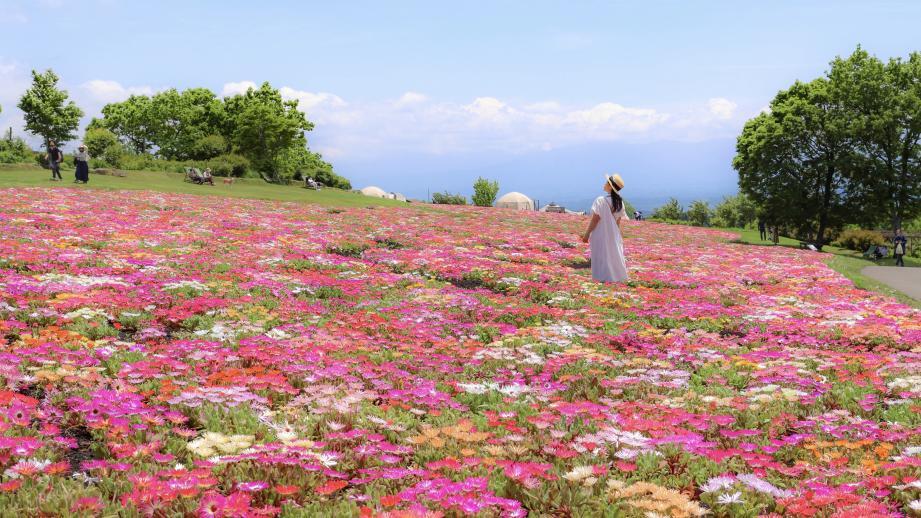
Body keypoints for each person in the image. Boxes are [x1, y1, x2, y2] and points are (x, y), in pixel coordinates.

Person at [581, 173, 628, 283]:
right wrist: (618, 236)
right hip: (613, 233)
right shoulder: (620, 202)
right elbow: (618, 222)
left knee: (600, 254)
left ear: (610, 186)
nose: (604, 184)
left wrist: (586, 234)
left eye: (607, 182)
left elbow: (595, 219)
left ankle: (601, 277)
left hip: (600, 232)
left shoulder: (601, 200)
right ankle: (615, 276)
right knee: (612, 254)